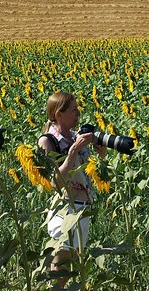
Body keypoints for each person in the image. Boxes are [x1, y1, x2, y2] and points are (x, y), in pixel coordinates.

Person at [37, 92, 107, 287]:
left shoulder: (75, 136)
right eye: (74, 110)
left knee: (74, 264)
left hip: (82, 207)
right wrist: (73, 151)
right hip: (65, 209)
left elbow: (86, 172)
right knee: (60, 267)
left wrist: (101, 156)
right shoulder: (47, 141)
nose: (78, 113)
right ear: (59, 114)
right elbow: (54, 182)